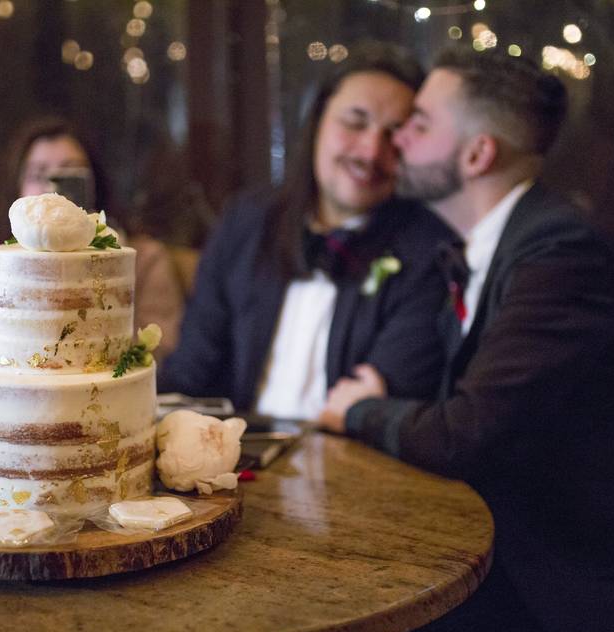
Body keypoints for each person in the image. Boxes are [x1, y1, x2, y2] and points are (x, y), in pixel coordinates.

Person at [319, 48, 614, 632]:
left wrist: (358, 410)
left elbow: (463, 435)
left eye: (419, 124)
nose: (398, 142)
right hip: (500, 557)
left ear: (476, 153)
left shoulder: (560, 253)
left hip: (570, 585)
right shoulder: (488, 246)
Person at [158, 44, 455, 419]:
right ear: (317, 121)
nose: (370, 151)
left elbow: (387, 400)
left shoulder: (427, 251)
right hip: (238, 454)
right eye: (355, 122)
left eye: (394, 134)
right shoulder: (246, 222)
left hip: (352, 464)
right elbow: (193, 370)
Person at [0, 116, 184, 372]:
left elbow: (162, 355)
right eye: (38, 175)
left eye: (70, 172)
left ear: (94, 182)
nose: (53, 190)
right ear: (18, 189)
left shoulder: (145, 259)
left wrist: (108, 266)